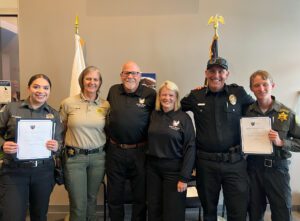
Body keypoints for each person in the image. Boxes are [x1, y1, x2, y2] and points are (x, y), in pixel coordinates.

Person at [181, 57, 254, 221]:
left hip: (235, 163)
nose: (216, 75)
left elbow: (258, 112)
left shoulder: (239, 93)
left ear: (227, 74)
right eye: (212, 71)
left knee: (237, 211)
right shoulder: (195, 95)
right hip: (206, 165)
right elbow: (173, 110)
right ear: (206, 73)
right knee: (209, 211)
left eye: (221, 71)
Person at [0, 74, 63, 221]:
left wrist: (56, 146)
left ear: (49, 91)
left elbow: (60, 144)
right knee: (12, 216)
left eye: (45, 88)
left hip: (43, 173)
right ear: (28, 88)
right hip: (14, 171)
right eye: (36, 86)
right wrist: (3, 145)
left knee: (39, 216)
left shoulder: (54, 114)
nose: (41, 91)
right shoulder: (11, 108)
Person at [246, 70, 300, 221]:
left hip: (278, 169)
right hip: (253, 168)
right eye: (257, 85)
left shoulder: (287, 113)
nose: (261, 89)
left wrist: (282, 142)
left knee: (282, 211)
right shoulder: (247, 111)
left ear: (273, 86)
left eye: (265, 84)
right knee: (254, 211)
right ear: (251, 88)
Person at [106, 61, 156, 221]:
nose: (130, 76)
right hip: (115, 151)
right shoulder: (113, 90)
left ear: (140, 76)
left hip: (140, 152)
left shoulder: (150, 94)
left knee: (140, 196)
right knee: (114, 196)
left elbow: (163, 113)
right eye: (126, 73)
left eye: (134, 73)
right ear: (121, 75)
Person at [59, 66, 109, 221]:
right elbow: (60, 131)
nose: (92, 82)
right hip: (75, 159)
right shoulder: (68, 103)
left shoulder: (106, 105)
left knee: (92, 200)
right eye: (88, 78)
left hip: (98, 158)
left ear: (100, 83)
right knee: (78, 203)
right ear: (82, 80)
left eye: (95, 79)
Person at [147, 80, 196, 221]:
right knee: (154, 209)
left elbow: (190, 148)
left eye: (171, 95)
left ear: (176, 97)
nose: (166, 98)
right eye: (163, 94)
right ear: (159, 97)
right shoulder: (153, 115)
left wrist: (184, 177)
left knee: (173, 212)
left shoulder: (184, 118)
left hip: (174, 171)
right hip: (153, 169)